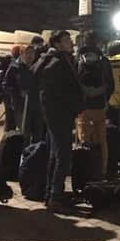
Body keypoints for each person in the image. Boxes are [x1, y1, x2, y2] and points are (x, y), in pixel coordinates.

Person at [34, 30, 84, 212]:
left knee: (56, 154)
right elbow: (55, 93)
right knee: (63, 155)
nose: (71, 42)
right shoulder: (56, 63)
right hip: (59, 115)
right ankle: (56, 195)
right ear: (57, 44)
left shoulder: (57, 59)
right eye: (66, 40)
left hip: (57, 115)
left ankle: (51, 193)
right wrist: (73, 106)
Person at [75, 31, 115, 179]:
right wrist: (104, 99)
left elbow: (73, 83)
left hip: (83, 106)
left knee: (85, 137)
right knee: (102, 139)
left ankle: (86, 168)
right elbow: (111, 84)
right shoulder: (104, 61)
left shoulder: (77, 60)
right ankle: (101, 169)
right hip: (100, 105)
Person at [3, 45, 44, 145]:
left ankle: (36, 154)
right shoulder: (14, 67)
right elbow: (6, 85)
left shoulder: (37, 66)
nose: (30, 56)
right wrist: (18, 92)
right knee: (24, 132)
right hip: (21, 106)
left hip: (36, 104)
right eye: (27, 53)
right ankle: (23, 154)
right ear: (21, 54)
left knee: (38, 131)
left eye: (32, 53)